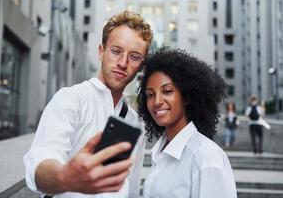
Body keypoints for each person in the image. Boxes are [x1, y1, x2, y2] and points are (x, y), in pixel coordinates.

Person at [23, 10, 153, 198]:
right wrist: (65, 177)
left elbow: (131, 189)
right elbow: (41, 161)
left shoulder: (135, 122)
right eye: (116, 51)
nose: (123, 63)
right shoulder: (70, 99)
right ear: (101, 51)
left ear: (141, 65)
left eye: (134, 56)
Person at [137, 47, 237, 198]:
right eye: (150, 95)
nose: (156, 102)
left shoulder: (207, 157)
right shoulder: (160, 152)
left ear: (187, 96)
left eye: (167, 91)